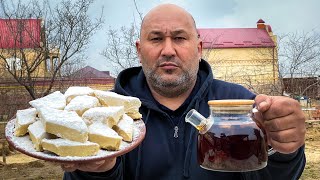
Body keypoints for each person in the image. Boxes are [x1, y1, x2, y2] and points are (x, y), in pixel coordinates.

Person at [62, 4, 306, 180]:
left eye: (179, 38)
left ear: (198, 48)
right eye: (156, 39)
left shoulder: (241, 105)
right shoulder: (104, 112)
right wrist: (96, 173)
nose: (168, 50)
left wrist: (281, 149)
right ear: (139, 50)